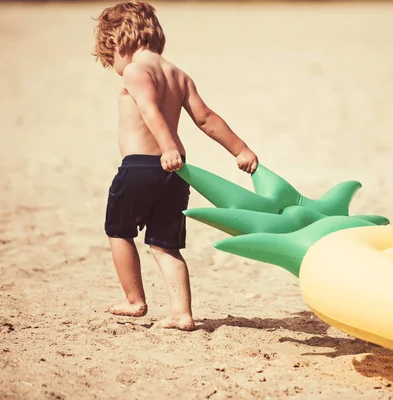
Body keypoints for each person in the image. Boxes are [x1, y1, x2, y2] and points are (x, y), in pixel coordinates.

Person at [92, 1, 259, 331]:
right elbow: (205, 118)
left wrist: (167, 146)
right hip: (176, 173)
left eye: (109, 56)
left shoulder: (135, 71)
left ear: (116, 41)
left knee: (118, 230)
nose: (113, 63)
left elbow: (149, 110)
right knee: (165, 243)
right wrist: (240, 149)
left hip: (141, 166)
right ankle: (182, 313)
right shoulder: (178, 74)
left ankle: (134, 299)